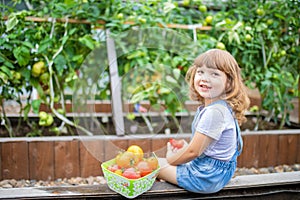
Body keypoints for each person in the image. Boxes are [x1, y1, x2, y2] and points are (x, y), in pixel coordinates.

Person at [157, 49, 250, 193]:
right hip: (215, 174)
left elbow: (193, 152)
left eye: (214, 74)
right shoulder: (221, 107)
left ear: (229, 83)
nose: (205, 78)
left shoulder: (214, 113)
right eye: (201, 72)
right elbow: (207, 147)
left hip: (205, 178)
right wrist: (186, 147)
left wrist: (171, 158)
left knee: (155, 164)